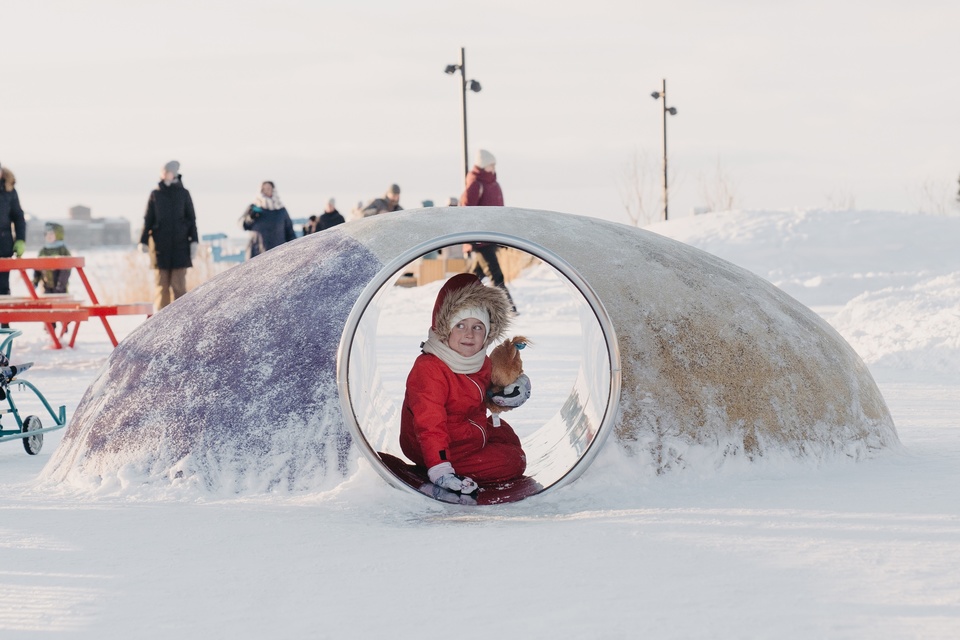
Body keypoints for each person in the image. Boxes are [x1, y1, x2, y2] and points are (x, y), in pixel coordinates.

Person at [399, 273, 528, 502]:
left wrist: (506, 394)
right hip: (435, 445)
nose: (469, 334)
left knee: (506, 434)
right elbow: (429, 423)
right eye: (460, 325)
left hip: (467, 431)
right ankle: (440, 469)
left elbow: (484, 393)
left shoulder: (479, 361)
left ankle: (472, 455)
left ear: (488, 333)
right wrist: (440, 467)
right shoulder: (430, 368)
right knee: (512, 461)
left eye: (478, 327)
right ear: (445, 329)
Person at [459, 149, 517, 312]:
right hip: (480, 240)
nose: (494, 168)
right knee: (496, 275)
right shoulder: (476, 184)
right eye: (491, 164)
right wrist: (470, 238)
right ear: (483, 166)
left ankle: (458, 302)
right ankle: (509, 309)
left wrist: (503, 235)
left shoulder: (494, 184)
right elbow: (466, 211)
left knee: (473, 278)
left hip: (491, 238)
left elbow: (500, 212)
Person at [139, 160, 199, 311]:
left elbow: (192, 219)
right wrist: (143, 241)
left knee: (179, 286)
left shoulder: (183, 194)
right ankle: (160, 320)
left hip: (180, 247)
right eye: (163, 171)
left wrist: (194, 241)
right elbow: (148, 219)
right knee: (161, 287)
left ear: (175, 173)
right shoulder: (155, 194)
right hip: (160, 248)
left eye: (168, 171)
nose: (165, 174)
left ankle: (182, 317)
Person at [241, 181, 296, 258]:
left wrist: (293, 250)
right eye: (263, 189)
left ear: (273, 190)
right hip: (257, 252)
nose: (266, 191)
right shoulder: (254, 207)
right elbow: (242, 225)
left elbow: (290, 231)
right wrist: (250, 218)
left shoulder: (281, 209)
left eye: (268, 188)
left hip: (279, 252)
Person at [0, 163, 27, 300]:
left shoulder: (9, 191)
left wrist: (21, 239)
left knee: (3, 287)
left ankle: (4, 320)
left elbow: (18, 216)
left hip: (3, 245)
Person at [32, 223, 72, 294]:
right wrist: (35, 282)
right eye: (46, 234)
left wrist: (61, 284)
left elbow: (67, 269)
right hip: (46, 287)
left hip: (60, 288)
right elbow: (37, 268)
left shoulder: (62, 250)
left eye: (51, 234)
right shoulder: (43, 251)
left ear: (58, 235)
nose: (49, 236)